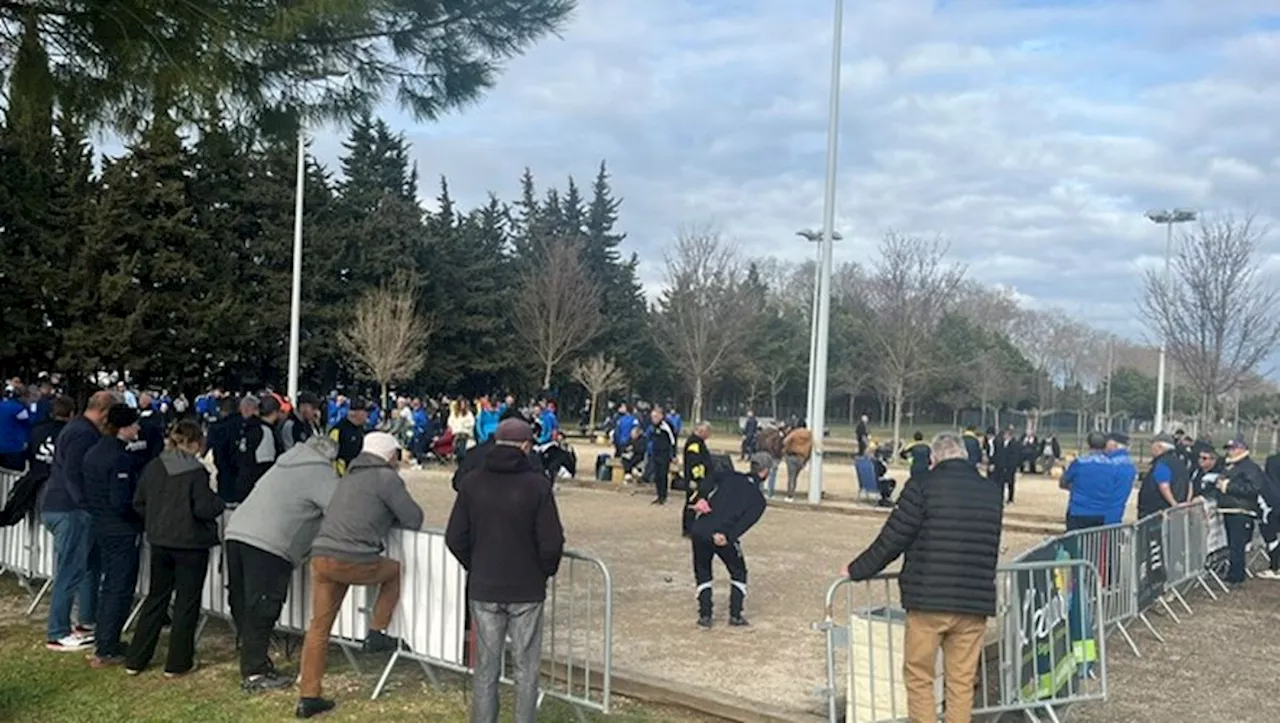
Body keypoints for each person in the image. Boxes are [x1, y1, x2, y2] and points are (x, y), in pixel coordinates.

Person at [844, 432, 1003, 723]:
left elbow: (893, 538)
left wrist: (857, 569)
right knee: (961, 681)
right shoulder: (991, 491)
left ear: (933, 459)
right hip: (974, 600)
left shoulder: (921, 487)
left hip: (928, 597)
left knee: (919, 676)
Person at [445, 418, 565, 723]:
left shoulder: (473, 482)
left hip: (485, 585)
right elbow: (552, 541)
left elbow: (455, 537)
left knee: (486, 667)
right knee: (526, 669)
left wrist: (477, 564)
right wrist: (542, 572)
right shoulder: (538, 485)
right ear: (526, 446)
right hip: (526, 588)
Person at [297, 432, 423, 718]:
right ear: (391, 456)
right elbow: (414, 518)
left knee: (318, 627)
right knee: (393, 571)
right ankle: (377, 631)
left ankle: (308, 695)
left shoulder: (348, 477)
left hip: (322, 554)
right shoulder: (387, 479)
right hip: (353, 557)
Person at [224, 435, 341, 692]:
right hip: (270, 542)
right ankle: (255, 672)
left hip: (237, 532)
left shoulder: (282, 464)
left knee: (242, 601)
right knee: (263, 606)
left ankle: (252, 660)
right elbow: (340, 507)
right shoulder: (320, 472)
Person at [125, 420, 226, 676]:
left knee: (155, 598)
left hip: (160, 541)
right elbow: (204, 508)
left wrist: (156, 521)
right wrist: (217, 500)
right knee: (185, 603)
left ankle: (136, 658)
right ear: (193, 443)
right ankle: (178, 662)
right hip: (190, 543)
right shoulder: (196, 472)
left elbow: (139, 502)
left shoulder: (154, 467)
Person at [41, 390, 113, 651]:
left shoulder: (76, 429)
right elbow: (72, 472)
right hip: (70, 510)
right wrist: (85, 503)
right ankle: (57, 632)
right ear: (103, 412)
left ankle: (86, 620)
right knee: (70, 570)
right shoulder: (83, 433)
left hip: (65, 506)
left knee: (89, 566)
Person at [82, 404, 145, 666]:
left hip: (100, 525)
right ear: (124, 427)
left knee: (109, 585)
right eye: (135, 424)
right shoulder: (119, 458)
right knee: (119, 587)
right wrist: (138, 518)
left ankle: (105, 639)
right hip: (120, 528)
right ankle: (107, 645)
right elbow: (120, 500)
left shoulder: (94, 453)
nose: (138, 429)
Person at [689, 452, 768, 628]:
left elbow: (710, 477)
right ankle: (735, 614)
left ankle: (705, 615)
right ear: (764, 473)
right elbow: (745, 523)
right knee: (739, 571)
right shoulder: (758, 499)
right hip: (722, 535)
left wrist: (701, 496)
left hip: (701, 529)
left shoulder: (730, 476)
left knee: (702, 570)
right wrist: (728, 537)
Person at [0, 395, 73, 527]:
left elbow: (25, 457)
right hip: (60, 495)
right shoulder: (73, 435)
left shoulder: (37, 431)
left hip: (32, 488)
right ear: (72, 413)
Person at [1219, 437, 1280, 580]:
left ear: (1242, 449)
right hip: (1262, 507)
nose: (1230, 452)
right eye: (1229, 449)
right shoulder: (1230, 466)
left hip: (1267, 507)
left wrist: (1228, 487)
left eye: (1233, 448)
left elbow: (1255, 488)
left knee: (1270, 537)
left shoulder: (1250, 467)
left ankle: (1276, 566)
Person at [1061, 432, 1133, 531]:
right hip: (1101, 513)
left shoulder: (1080, 462)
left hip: (1078, 511)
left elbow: (1063, 483)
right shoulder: (1113, 465)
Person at [230, 394, 283, 503]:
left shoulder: (248, 427)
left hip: (241, 482)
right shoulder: (265, 431)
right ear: (275, 412)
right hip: (255, 490)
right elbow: (266, 464)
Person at [1137, 433, 1191, 519]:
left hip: (1157, 512)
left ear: (1159, 447)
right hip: (1178, 510)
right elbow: (1189, 483)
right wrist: (1186, 502)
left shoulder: (1162, 463)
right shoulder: (1180, 463)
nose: (1151, 448)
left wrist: (1174, 505)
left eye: (1153, 445)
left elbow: (1164, 486)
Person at [682, 422, 714, 537]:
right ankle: (688, 529)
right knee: (692, 503)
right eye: (707, 433)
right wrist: (695, 479)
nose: (708, 436)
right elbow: (693, 463)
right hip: (694, 481)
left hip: (699, 479)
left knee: (696, 502)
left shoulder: (699, 442)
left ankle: (692, 527)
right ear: (701, 431)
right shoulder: (694, 443)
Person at [208, 396, 242, 498]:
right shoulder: (244, 424)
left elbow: (207, 446)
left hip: (223, 468)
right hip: (242, 470)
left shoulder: (217, 427)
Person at [328, 398, 368, 476]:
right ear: (356, 413)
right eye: (365, 412)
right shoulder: (338, 430)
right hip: (341, 475)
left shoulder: (360, 429)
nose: (367, 415)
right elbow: (330, 456)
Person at [0, 385, 33, 471]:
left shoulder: (1, 405)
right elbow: (30, 422)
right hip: (14, 449)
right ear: (23, 397)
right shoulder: (20, 410)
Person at [648, 407, 676, 506]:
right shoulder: (653, 426)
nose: (653, 419)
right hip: (656, 453)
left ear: (661, 416)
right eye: (652, 417)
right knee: (657, 476)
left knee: (663, 475)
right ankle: (659, 495)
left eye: (655, 417)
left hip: (665, 454)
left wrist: (673, 455)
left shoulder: (666, 425)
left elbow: (673, 440)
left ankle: (663, 496)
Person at [781, 423, 813, 502]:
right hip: (802, 458)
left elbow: (785, 441)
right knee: (795, 477)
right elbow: (810, 448)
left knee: (791, 477)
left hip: (792, 456)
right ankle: (792, 492)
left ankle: (790, 495)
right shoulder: (809, 435)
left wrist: (786, 450)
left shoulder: (795, 433)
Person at [755, 422, 784, 498]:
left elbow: (757, 445)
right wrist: (779, 456)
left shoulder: (761, 433)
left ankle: (760, 491)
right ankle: (770, 493)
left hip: (761, 454)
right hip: (773, 456)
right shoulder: (776, 434)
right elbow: (777, 447)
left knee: (760, 473)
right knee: (772, 475)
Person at [993, 427, 1021, 504]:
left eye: (1005, 434)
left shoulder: (1015, 444)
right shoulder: (1001, 443)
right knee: (1001, 483)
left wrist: (1010, 466)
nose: (1004, 436)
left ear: (1009, 435)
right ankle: (1001, 497)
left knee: (1010, 483)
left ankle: (1010, 499)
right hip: (1001, 466)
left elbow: (1015, 456)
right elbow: (999, 454)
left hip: (1010, 467)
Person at [448, 398, 476, 465]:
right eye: (461, 404)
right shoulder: (454, 414)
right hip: (457, 433)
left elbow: (472, 423)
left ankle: (461, 459)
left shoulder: (469, 414)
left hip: (465, 433)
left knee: (462, 442)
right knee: (459, 443)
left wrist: (464, 425)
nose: (462, 406)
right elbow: (450, 422)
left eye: (464, 404)